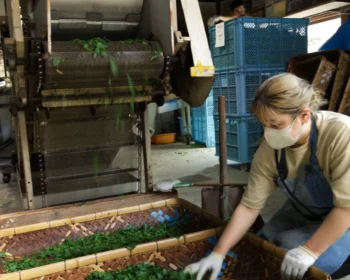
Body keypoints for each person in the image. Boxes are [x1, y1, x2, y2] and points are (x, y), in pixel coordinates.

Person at [185, 73, 350, 280]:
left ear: (304, 116)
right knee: (262, 248)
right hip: (304, 211)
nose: (268, 132)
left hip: (345, 215)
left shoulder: (341, 135)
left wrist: (309, 251)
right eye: (264, 124)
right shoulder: (271, 149)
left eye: (276, 124)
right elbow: (249, 206)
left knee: (297, 265)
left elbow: (346, 207)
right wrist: (218, 253)